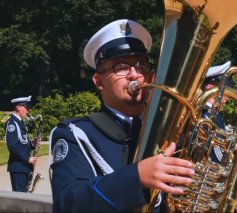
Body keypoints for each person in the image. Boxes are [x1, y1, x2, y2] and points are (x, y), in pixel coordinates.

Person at [49, 19, 194, 212]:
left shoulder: (176, 131)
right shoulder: (76, 133)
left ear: (150, 77)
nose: (134, 74)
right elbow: (69, 203)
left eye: (140, 65)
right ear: (99, 81)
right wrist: (136, 176)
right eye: (121, 67)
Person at [4, 95, 39, 192]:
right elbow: (13, 146)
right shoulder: (12, 123)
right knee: (20, 199)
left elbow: (22, 143)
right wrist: (27, 158)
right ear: (18, 107)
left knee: (24, 196)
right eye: (26, 107)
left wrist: (32, 144)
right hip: (18, 167)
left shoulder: (20, 123)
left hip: (23, 167)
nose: (28, 110)